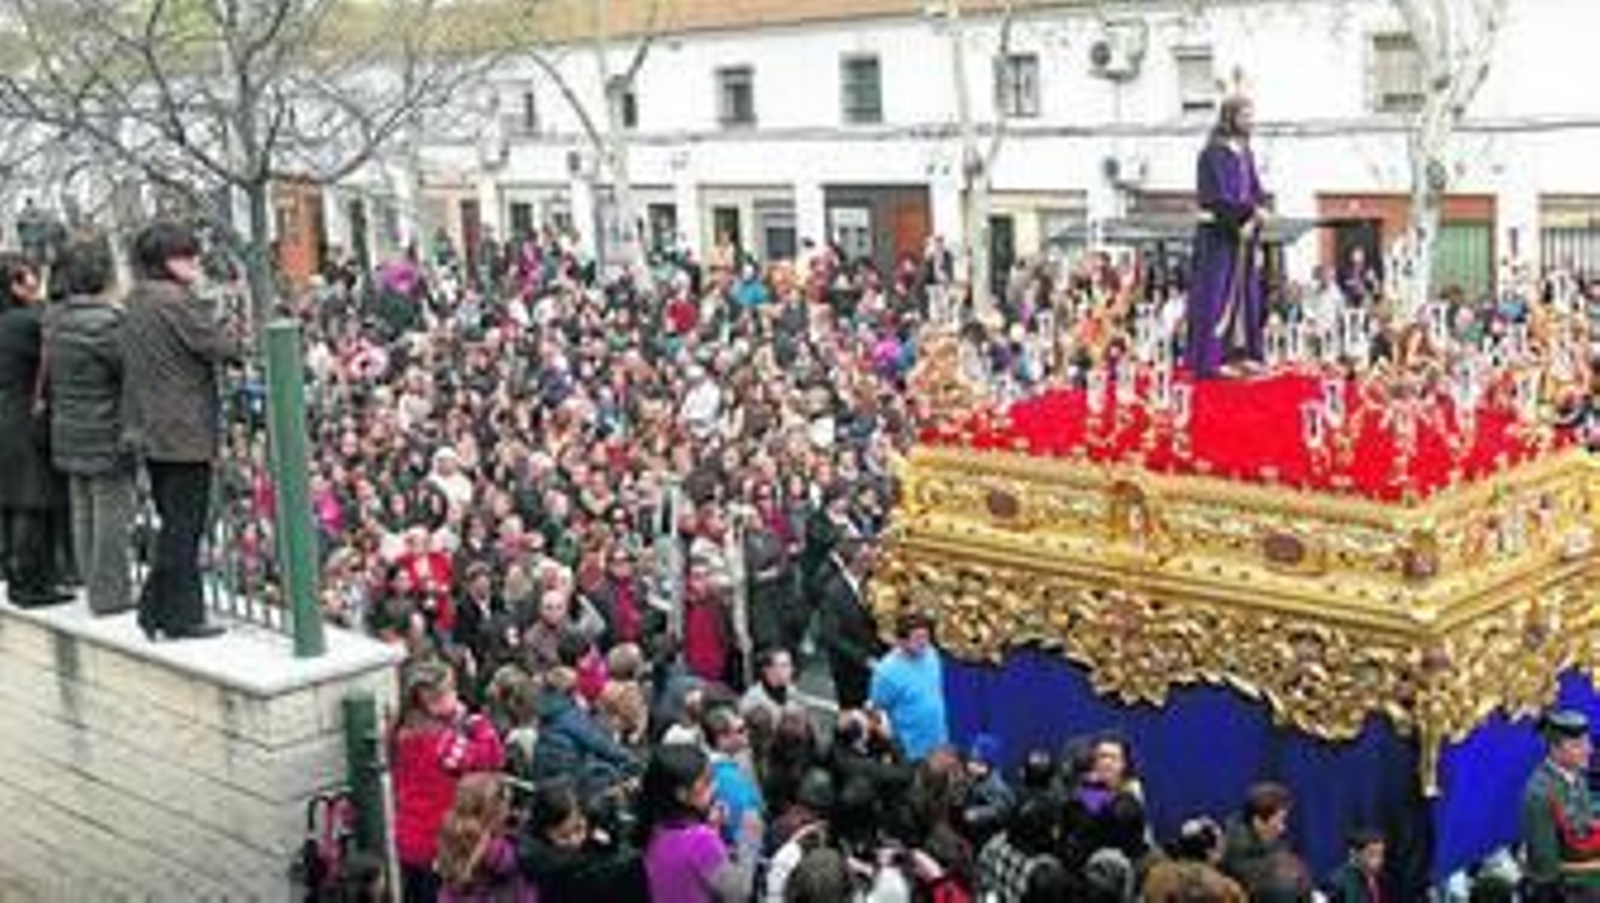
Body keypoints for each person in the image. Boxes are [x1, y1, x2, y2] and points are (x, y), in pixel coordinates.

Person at [120, 222, 240, 640]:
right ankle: (167, 611)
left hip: (149, 427)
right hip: (184, 429)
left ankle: (171, 611)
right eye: (188, 255)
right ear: (169, 261)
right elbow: (224, 348)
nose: (196, 262)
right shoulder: (177, 302)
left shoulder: (135, 299)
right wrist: (216, 307)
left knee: (174, 520)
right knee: (184, 527)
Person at [46, 234, 137, 616]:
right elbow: (131, 370)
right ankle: (111, 595)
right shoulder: (107, 323)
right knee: (112, 510)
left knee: (83, 507)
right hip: (105, 428)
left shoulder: (56, 318)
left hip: (69, 426)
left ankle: (93, 585)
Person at [391, 660, 506, 903]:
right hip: (435, 841)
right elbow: (491, 758)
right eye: (451, 690)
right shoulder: (441, 743)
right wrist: (477, 722)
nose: (456, 695)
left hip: (406, 837)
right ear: (433, 701)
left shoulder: (401, 730)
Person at [0, 252, 69, 607]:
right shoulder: (26, 323)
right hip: (24, 418)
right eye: (29, 277)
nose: (36, 283)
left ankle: (17, 575)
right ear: (15, 285)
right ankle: (29, 584)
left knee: (13, 501)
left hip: (7, 416)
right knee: (32, 499)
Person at [1186, 95, 1268, 380]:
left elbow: (1255, 189)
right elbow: (1215, 198)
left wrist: (1258, 212)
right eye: (1245, 115)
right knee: (1217, 295)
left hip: (1243, 236)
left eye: (1251, 115)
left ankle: (1241, 352)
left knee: (1246, 295)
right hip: (1219, 236)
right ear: (1230, 117)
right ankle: (1212, 357)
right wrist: (1244, 217)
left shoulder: (1245, 151)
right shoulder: (1213, 153)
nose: (1250, 121)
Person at [638, 742, 763, 903]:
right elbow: (738, 892)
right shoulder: (701, 840)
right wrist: (750, 835)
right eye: (707, 782)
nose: (716, 786)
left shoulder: (654, 826)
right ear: (682, 794)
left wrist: (713, 828)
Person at [1521, 709, 1600, 901]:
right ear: (1555, 749)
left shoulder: (1576, 776)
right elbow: (1545, 869)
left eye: (1587, 742)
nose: (1588, 750)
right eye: (1577, 745)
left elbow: (1586, 826)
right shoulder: (1540, 792)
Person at [435, 773, 535, 903]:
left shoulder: (453, 831)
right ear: (493, 809)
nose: (509, 810)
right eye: (507, 804)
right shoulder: (495, 848)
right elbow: (509, 864)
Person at [869, 610, 948, 762]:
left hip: (939, 742)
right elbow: (876, 710)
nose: (924, 643)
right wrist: (891, 745)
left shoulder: (931, 654)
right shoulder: (886, 672)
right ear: (901, 641)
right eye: (918, 638)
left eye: (926, 637)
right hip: (910, 752)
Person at [1220, 782, 1312, 901]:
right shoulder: (1235, 854)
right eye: (1279, 821)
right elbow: (1278, 891)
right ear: (1258, 822)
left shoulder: (1272, 845)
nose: (1282, 828)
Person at [1324, 827, 1386, 903]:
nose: (1378, 860)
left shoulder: (1380, 880)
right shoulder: (1338, 881)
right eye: (1371, 854)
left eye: (1380, 854)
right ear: (1356, 854)